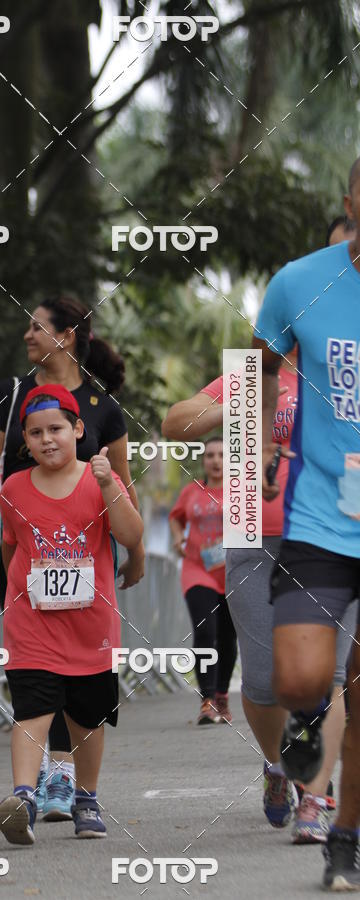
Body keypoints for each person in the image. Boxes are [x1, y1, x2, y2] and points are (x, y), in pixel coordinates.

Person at [162, 217, 357, 844]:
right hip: (256, 531)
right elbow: (174, 421)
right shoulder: (256, 368)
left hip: (336, 531)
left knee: (328, 673)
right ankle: (277, 766)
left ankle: (314, 797)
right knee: (269, 678)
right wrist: (241, 406)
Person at [0, 295, 144, 820]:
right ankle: (33, 787)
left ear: (68, 334)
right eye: (35, 432)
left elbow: (124, 491)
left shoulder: (103, 409)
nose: (27, 335)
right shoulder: (11, 396)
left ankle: (74, 783)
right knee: (36, 676)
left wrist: (139, 555)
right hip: (28, 561)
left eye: (38, 327)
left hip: (89, 564)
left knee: (85, 695)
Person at [253, 158, 360, 890]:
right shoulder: (301, 280)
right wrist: (256, 440)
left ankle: (345, 838)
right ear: (352, 198)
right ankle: (302, 721)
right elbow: (256, 365)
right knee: (299, 678)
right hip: (322, 515)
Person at [0, 385, 143, 844]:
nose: (47, 439)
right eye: (35, 432)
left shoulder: (100, 480)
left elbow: (131, 533)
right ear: (25, 439)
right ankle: (22, 797)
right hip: (33, 624)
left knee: (87, 719)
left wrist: (106, 484)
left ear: (78, 429)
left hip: (90, 627)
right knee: (32, 711)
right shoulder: (14, 487)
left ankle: (86, 797)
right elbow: (10, 545)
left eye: (56, 428)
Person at [168, 437, 237, 725]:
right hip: (198, 570)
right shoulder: (192, 491)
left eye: (222, 455)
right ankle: (207, 699)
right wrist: (177, 538)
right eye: (210, 455)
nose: (216, 460)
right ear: (203, 460)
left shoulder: (241, 491)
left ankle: (222, 694)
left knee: (228, 633)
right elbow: (176, 517)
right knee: (205, 629)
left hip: (233, 571)